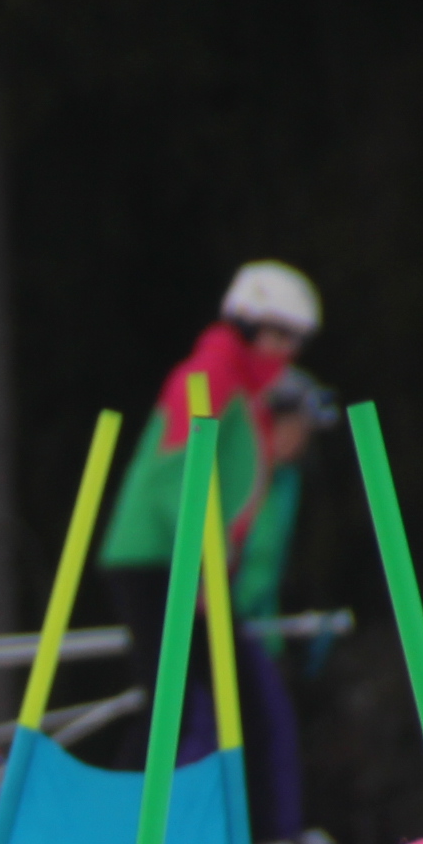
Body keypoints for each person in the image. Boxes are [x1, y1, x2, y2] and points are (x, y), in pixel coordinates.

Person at [94, 260, 322, 763]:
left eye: (297, 339)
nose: (287, 351)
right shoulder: (210, 374)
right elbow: (178, 475)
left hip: (187, 560)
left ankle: (241, 813)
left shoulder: (248, 391)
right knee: (175, 709)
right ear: (245, 324)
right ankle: (132, 807)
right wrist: (201, 568)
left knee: (235, 705)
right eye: (279, 334)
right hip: (157, 558)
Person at [229, 366, 342, 844]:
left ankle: (278, 834)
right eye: (294, 427)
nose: (299, 441)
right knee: (234, 725)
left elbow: (271, 566)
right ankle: (260, 836)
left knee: (276, 720)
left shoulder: (287, 480)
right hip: (216, 617)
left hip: (255, 622)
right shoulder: (241, 468)